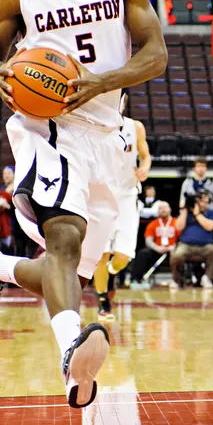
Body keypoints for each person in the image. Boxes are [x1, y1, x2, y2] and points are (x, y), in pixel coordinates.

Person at [0, 0, 167, 409]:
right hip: (49, 126)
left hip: (109, 132)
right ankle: (68, 356)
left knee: (72, 270)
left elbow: (156, 54)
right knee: (63, 237)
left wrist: (102, 82)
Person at [93, 96, 151, 320]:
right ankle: (102, 299)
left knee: (122, 257)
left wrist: (143, 169)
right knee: (102, 253)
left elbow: (146, 157)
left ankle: (110, 275)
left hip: (127, 196)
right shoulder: (94, 127)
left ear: (124, 100)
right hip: (103, 196)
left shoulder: (135, 127)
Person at [170, 191, 213, 289]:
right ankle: (176, 280)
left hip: (206, 246)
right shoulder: (187, 213)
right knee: (177, 254)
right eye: (201, 201)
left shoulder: (211, 213)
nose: (203, 204)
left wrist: (197, 214)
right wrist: (184, 210)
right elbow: (178, 227)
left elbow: (210, 226)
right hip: (186, 245)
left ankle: (207, 278)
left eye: (206, 202)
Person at [130, 201, 179, 290]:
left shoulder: (177, 223)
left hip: (173, 249)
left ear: (170, 209)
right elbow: (148, 240)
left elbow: (182, 239)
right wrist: (157, 248)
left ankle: (178, 280)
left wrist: (174, 247)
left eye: (165, 207)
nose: (163, 210)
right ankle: (136, 279)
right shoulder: (153, 224)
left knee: (180, 253)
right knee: (143, 253)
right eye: (160, 208)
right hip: (158, 249)